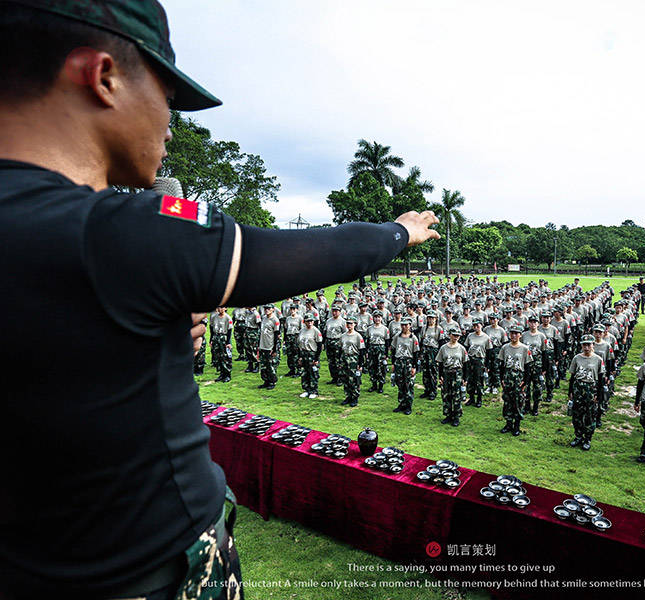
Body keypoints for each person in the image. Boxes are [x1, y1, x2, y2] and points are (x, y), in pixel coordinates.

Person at [0, 1, 439, 595]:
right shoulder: (123, 230)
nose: (171, 124)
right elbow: (294, 255)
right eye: (167, 95)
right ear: (101, 75)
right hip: (147, 573)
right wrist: (398, 233)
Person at [568, 335, 604, 451]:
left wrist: (598, 395)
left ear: (593, 345)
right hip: (578, 388)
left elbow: (601, 378)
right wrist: (570, 391)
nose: (586, 347)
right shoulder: (577, 358)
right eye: (584, 345)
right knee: (577, 414)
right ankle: (578, 436)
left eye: (589, 344)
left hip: (591, 388)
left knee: (589, 415)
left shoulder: (598, 359)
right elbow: (572, 376)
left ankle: (587, 438)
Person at [497, 324, 533, 436]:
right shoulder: (505, 347)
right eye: (512, 333)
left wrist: (526, 381)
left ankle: (516, 425)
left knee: (518, 402)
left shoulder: (524, 349)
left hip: (519, 377)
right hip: (508, 376)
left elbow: (528, 366)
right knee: (507, 401)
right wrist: (502, 378)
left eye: (516, 333)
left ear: (520, 335)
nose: (513, 335)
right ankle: (508, 423)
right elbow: (501, 364)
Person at [436, 325, 468, 426]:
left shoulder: (462, 348)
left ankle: (456, 416)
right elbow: (440, 362)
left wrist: (465, 378)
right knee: (446, 395)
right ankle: (448, 415)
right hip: (446, 373)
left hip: (457, 373)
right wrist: (440, 376)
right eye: (454, 335)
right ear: (449, 335)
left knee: (456, 395)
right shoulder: (443, 348)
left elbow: (466, 363)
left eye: (458, 336)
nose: (456, 337)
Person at [390, 318, 420, 415]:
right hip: (399, 361)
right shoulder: (397, 337)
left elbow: (416, 353)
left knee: (408, 384)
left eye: (406, 325)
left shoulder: (413, 338)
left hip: (408, 362)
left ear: (410, 325)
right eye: (402, 325)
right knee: (400, 383)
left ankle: (408, 405)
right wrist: (393, 363)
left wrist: (414, 367)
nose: (404, 327)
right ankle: (401, 403)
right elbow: (393, 351)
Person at [463, 319, 492, 407]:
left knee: (479, 380)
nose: (476, 328)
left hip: (480, 360)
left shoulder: (486, 337)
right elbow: (466, 347)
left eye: (477, 326)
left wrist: (487, 365)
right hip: (470, 359)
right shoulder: (470, 336)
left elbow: (489, 352)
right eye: (474, 326)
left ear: (482, 325)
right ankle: (471, 398)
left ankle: (479, 399)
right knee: (470, 380)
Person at [338, 316, 365, 407]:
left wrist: (360, 364)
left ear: (355, 324)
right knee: (345, 378)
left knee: (354, 379)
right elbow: (340, 349)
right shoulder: (343, 336)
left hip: (354, 359)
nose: (349, 325)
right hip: (345, 359)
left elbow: (361, 351)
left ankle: (355, 397)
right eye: (348, 323)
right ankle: (348, 396)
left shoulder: (358, 336)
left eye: (351, 323)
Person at [297, 312, 324, 399]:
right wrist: (300, 356)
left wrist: (316, 358)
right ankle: (306, 389)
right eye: (308, 321)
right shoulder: (302, 331)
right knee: (304, 372)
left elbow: (319, 345)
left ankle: (314, 391)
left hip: (312, 354)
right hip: (304, 353)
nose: (309, 323)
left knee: (313, 373)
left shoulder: (316, 331)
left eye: (311, 321)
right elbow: (299, 344)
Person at [364, 312, 390, 393]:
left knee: (381, 367)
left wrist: (386, 354)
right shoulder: (369, 329)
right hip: (372, 349)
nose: (377, 319)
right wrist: (367, 352)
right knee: (372, 367)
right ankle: (374, 384)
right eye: (375, 317)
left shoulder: (385, 329)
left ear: (381, 318)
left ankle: (381, 385)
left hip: (381, 349)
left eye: (379, 317)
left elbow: (387, 342)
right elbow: (367, 341)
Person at [258, 304, 280, 389]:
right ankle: (266, 381)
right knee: (263, 365)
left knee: (270, 365)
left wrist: (274, 349)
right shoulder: (263, 318)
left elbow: (276, 335)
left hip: (269, 346)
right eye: (265, 308)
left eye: (268, 308)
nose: (266, 310)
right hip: (262, 345)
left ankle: (272, 382)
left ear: (273, 309)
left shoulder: (275, 320)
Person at [209, 306, 233, 382]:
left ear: (225, 308)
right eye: (219, 308)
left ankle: (227, 374)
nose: (220, 309)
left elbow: (229, 330)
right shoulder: (214, 316)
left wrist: (228, 342)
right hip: (216, 336)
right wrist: (211, 340)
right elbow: (211, 327)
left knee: (225, 357)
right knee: (218, 356)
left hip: (224, 337)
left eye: (222, 308)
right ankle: (221, 374)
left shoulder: (227, 318)